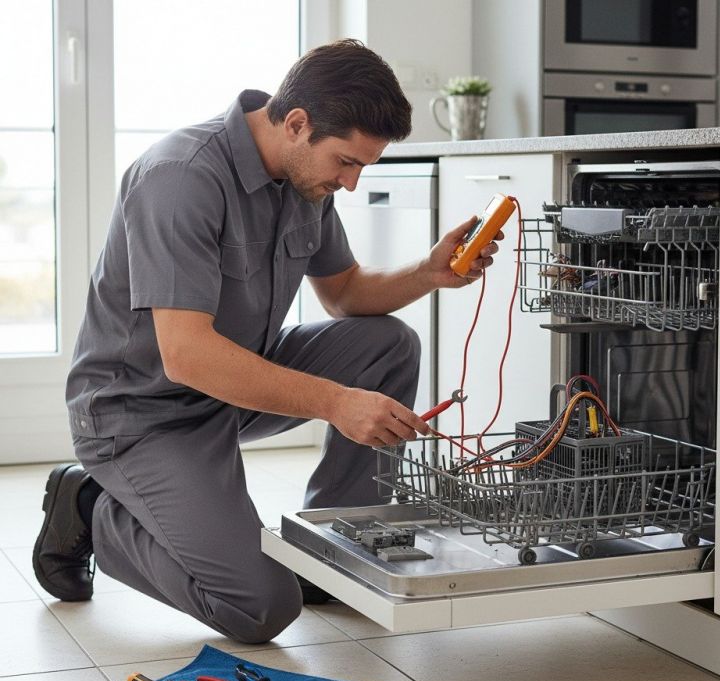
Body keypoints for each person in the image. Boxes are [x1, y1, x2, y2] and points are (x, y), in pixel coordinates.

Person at [32, 39, 500, 644]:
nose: (352, 184)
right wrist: (335, 402)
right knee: (260, 606)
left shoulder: (305, 179)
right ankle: (92, 508)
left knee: (389, 344)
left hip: (229, 389)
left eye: (363, 167)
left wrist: (427, 274)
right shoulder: (180, 178)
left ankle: (334, 544)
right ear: (298, 124)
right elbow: (187, 355)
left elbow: (346, 293)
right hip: (142, 415)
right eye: (347, 162)